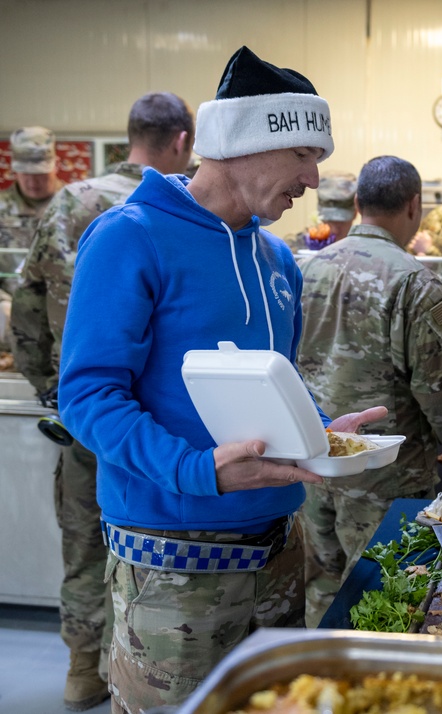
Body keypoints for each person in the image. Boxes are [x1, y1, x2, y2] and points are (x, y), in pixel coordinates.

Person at [57, 46, 384, 713]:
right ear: (249, 144)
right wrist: (198, 469)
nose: (314, 181)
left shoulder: (275, 259)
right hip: (173, 562)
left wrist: (317, 432)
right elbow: (88, 397)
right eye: (305, 157)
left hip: (277, 552)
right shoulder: (130, 238)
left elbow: (268, 386)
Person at [8, 92, 194, 712]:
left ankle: (83, 669)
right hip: (164, 425)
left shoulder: (71, 203)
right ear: (183, 141)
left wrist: (52, 390)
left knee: (85, 543)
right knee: (162, 544)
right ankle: (144, 670)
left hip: (88, 415)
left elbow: (27, 305)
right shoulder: (179, 208)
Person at [296, 155, 442, 626]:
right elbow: (440, 384)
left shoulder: (309, 269)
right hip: (386, 471)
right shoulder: (415, 282)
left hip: (314, 459)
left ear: (358, 204)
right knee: (390, 588)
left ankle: (326, 685)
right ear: (415, 206)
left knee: (321, 584)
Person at [0, 126, 64, 349]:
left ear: (54, 165)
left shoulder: (74, 205)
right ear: (14, 169)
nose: (32, 181)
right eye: (26, 173)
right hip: (10, 324)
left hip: (62, 321)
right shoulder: (2, 208)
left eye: (39, 173)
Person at [286, 170, 358, 252]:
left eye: (341, 223)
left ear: (355, 213)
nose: (335, 230)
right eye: (329, 222)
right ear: (320, 214)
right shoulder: (298, 245)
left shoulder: (362, 248)